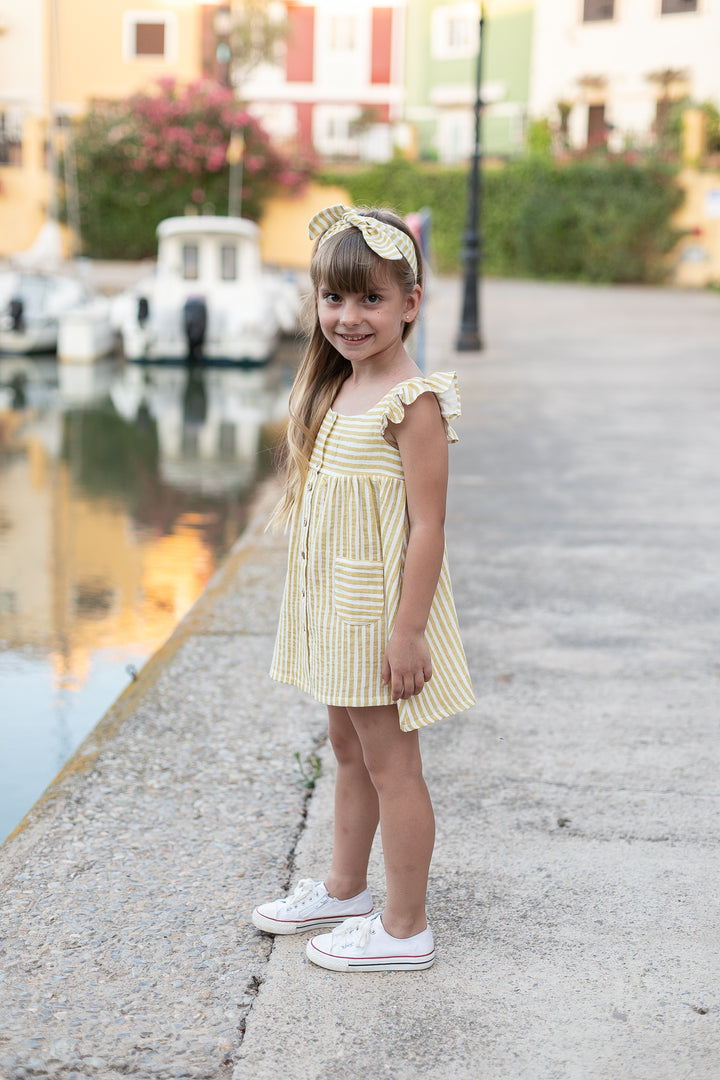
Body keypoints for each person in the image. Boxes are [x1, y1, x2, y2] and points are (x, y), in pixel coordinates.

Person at [252, 204, 475, 972]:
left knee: (392, 764)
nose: (348, 317)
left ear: (411, 304)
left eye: (370, 299)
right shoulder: (335, 387)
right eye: (334, 298)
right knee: (346, 748)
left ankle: (405, 927)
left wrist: (408, 630)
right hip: (336, 611)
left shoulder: (412, 403)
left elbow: (427, 527)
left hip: (380, 616)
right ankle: (346, 888)